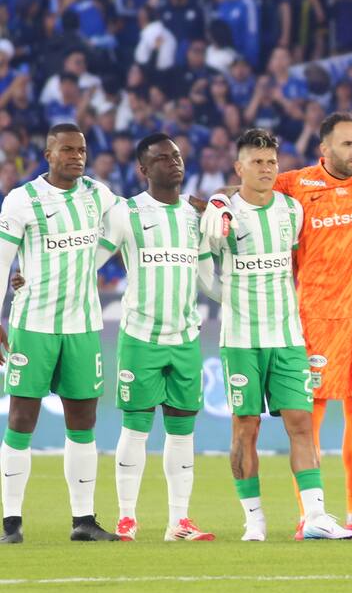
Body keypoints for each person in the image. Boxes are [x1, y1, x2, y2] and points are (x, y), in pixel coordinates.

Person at [208, 128, 352, 541]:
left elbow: (294, 261)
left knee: (301, 423)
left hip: (288, 336)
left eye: (272, 162)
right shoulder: (223, 213)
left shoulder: (291, 211)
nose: (266, 169)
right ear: (239, 168)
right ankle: (253, 521)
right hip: (240, 339)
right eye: (256, 162)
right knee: (245, 427)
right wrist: (226, 297)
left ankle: (315, 518)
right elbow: (205, 266)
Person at [0, 123, 120, 544]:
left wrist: (94, 262)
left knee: (83, 421)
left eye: (82, 149)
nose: (76, 156)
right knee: (20, 419)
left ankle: (83, 520)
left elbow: (125, 224)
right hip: (33, 325)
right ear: (48, 154)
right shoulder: (23, 200)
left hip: (84, 326)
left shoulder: (98, 194)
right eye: (67, 149)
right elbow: (2, 259)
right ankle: (11, 523)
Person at [99, 133, 217, 541]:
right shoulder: (126, 213)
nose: (174, 163)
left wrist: (249, 290)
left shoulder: (195, 215)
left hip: (185, 337)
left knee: (183, 430)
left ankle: (179, 521)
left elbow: (208, 280)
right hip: (140, 337)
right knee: (135, 428)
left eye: (178, 156)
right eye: (163, 158)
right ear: (144, 170)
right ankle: (127, 518)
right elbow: (89, 262)